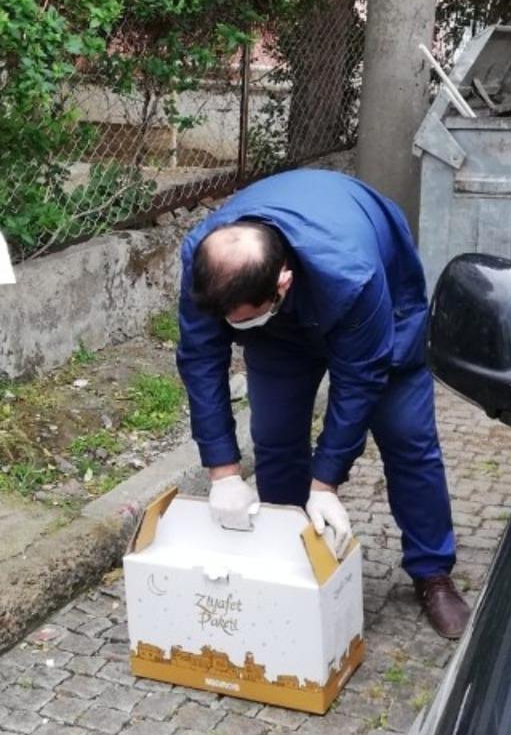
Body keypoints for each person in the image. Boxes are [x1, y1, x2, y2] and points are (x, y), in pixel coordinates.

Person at [177, 168, 471, 640]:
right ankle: (292, 561)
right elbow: (199, 360)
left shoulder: (353, 274)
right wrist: (223, 471)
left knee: (407, 439)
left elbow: (360, 382)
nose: (234, 328)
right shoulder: (207, 262)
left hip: (380, 312)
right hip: (281, 332)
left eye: (244, 319)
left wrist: (326, 482)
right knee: (274, 438)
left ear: (282, 283)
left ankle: (432, 572)